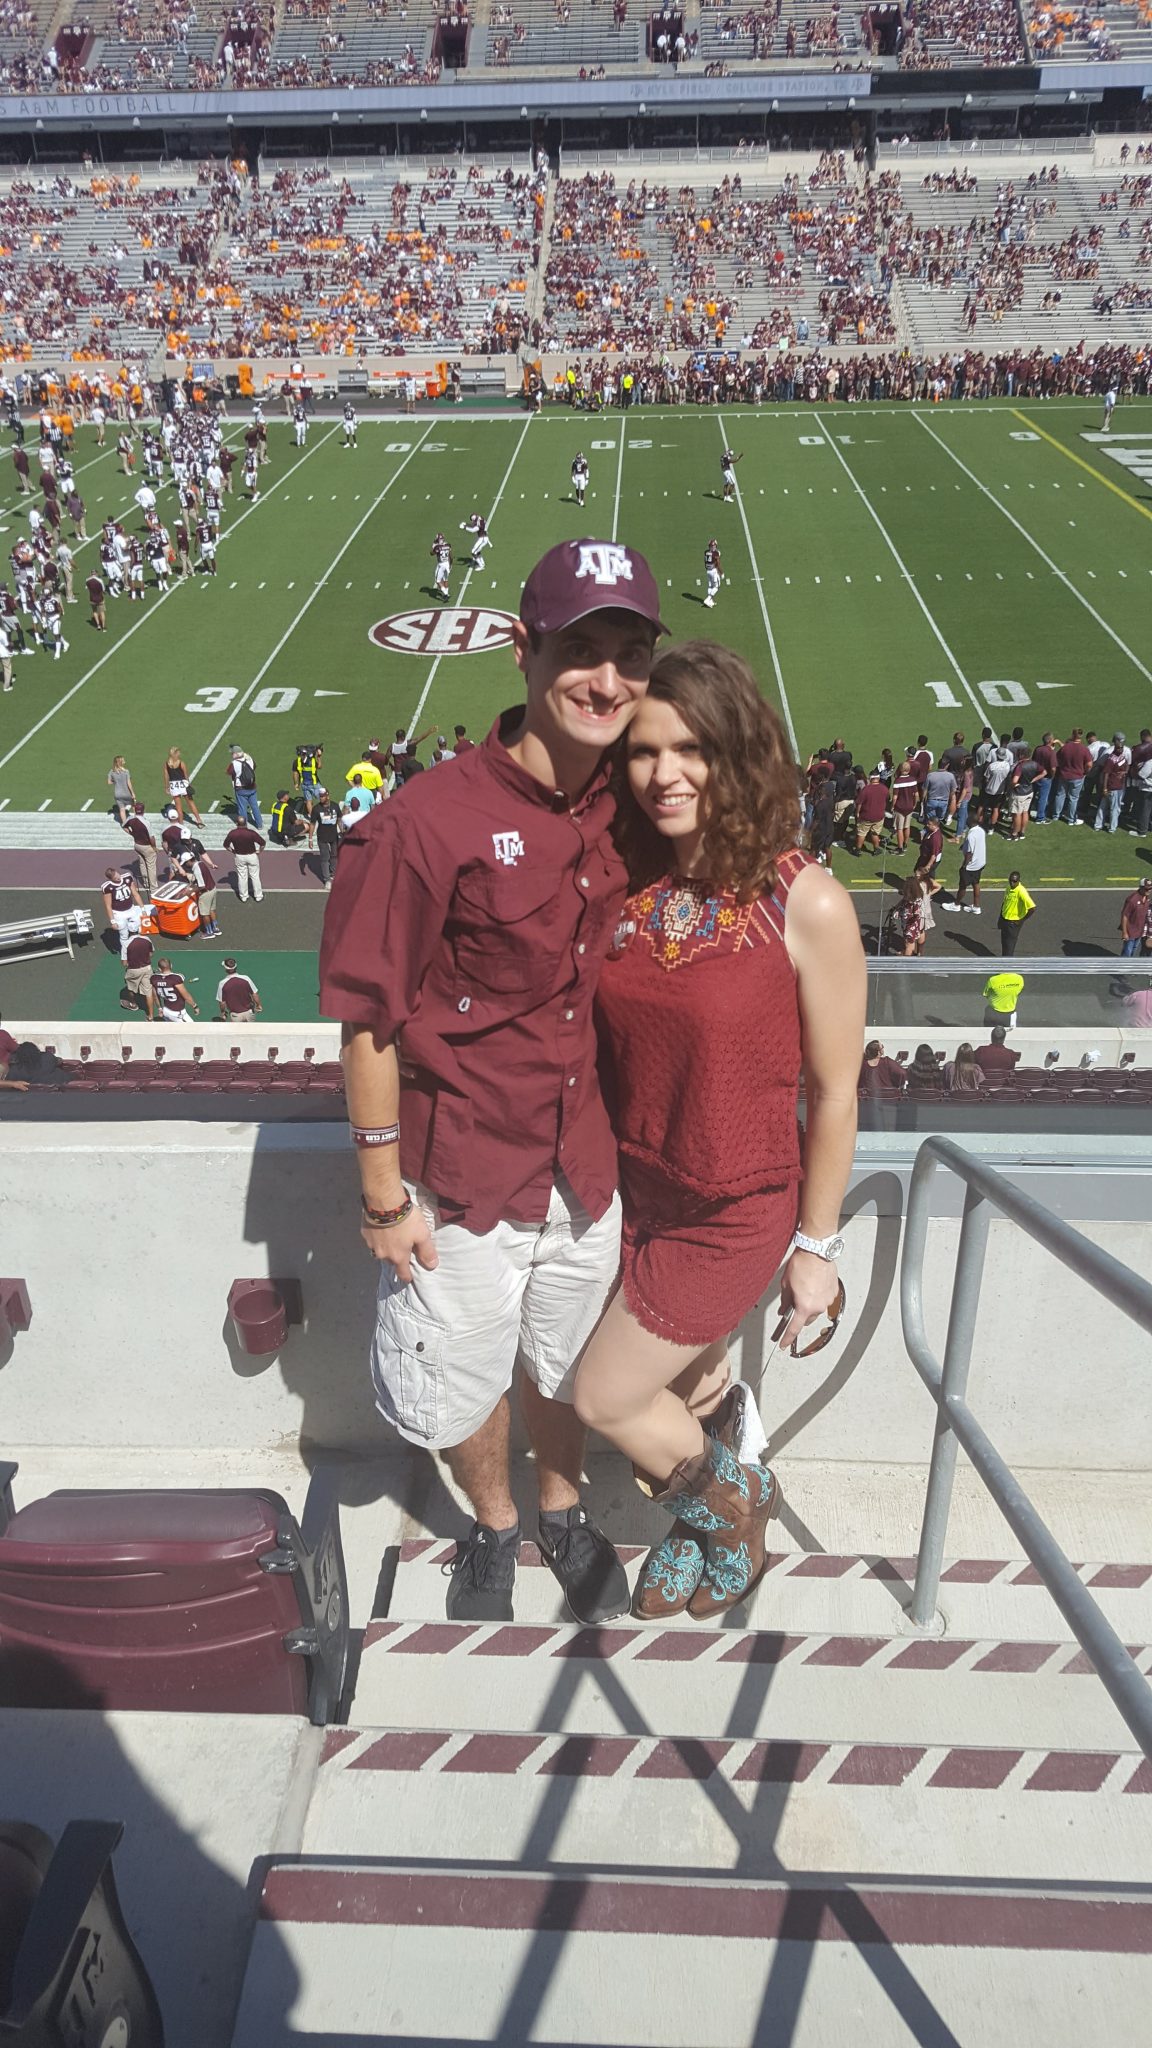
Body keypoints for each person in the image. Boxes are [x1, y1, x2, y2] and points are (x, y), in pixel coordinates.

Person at [319, 536, 666, 1627]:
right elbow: (368, 1020)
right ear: (524, 648)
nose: (605, 679)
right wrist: (383, 1197)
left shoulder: (629, 797)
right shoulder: (426, 821)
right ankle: (494, 1520)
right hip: (463, 1171)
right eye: (580, 649)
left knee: (562, 1364)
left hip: (586, 1162)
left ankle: (561, 1508)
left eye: (629, 655)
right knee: (466, 1372)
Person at [574, 642, 864, 1621]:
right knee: (694, 1387)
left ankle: (738, 1511)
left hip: (734, 1207)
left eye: (690, 748)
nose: (664, 774)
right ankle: (700, 1526)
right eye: (643, 751)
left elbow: (835, 1090)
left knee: (609, 1398)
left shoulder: (803, 899)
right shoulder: (625, 878)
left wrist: (817, 1249)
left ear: (737, 752)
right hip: (634, 1190)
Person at [944, 810, 986, 914]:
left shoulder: (971, 835)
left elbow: (969, 853)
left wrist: (964, 866)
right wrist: (964, 846)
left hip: (971, 866)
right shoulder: (981, 831)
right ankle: (976, 906)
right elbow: (976, 844)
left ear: (971, 821)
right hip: (980, 863)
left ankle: (956, 905)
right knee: (976, 883)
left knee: (963, 885)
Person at [102, 868, 144, 958]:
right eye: (115, 878)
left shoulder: (127, 878)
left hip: (131, 909)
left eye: (117, 875)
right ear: (110, 879)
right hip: (119, 913)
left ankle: (137, 948)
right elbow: (108, 905)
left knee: (135, 929)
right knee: (124, 935)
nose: (118, 878)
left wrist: (142, 908)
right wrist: (112, 921)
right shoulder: (108, 887)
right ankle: (125, 954)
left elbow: (135, 894)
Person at [223, 819, 265, 903]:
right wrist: (260, 851)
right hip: (252, 856)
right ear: (246, 823)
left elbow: (226, 845)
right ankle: (258, 896)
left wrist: (233, 851)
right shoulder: (251, 833)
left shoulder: (232, 833)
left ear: (236, 823)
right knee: (255, 876)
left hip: (239, 856)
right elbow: (262, 843)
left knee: (242, 877)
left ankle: (244, 896)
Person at [121, 803, 159, 896]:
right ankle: (153, 889)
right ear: (143, 810)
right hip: (147, 846)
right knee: (151, 867)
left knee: (142, 864)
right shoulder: (146, 822)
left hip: (137, 845)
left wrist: (132, 834)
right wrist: (154, 847)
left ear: (135, 810)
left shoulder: (131, 819)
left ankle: (146, 884)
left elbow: (124, 826)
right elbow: (151, 837)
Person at [998, 871, 1036, 956]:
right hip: (1005, 919)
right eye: (1010, 881)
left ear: (1019, 881)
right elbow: (1005, 902)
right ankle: (1003, 961)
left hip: (1013, 923)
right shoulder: (1008, 888)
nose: (1012, 883)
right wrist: (1000, 917)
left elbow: (1032, 908)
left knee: (1009, 946)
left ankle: (1008, 964)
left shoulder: (1021, 891)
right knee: (1004, 943)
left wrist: (1021, 920)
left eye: (1014, 881)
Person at [152, 957, 199, 1023]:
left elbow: (155, 996)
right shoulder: (176, 978)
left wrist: (159, 1008)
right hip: (178, 1013)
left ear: (159, 969)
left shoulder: (154, 978)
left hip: (165, 1010)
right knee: (192, 1028)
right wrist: (195, 1006)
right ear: (171, 965)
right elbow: (186, 996)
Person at [163, 747, 202, 827]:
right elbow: (186, 775)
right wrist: (189, 785)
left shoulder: (167, 764)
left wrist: (167, 787)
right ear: (176, 753)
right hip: (183, 785)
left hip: (174, 786)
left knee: (178, 807)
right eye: (178, 752)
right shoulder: (181, 763)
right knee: (191, 803)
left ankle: (181, 825)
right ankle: (199, 821)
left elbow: (166, 776)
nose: (180, 754)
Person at [311, 788, 341, 886]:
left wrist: (342, 831)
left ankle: (333, 872)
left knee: (334, 855)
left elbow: (339, 819)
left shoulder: (335, 806)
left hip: (334, 836)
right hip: (322, 836)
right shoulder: (316, 809)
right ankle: (327, 879)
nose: (321, 798)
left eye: (323, 796)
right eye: (320, 796)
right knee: (325, 858)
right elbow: (312, 823)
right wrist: (310, 838)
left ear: (328, 796)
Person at [121, 931, 156, 1018]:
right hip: (147, 968)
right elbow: (151, 954)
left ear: (129, 932)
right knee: (148, 992)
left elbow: (124, 963)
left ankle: (133, 1004)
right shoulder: (147, 939)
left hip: (134, 970)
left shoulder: (126, 943)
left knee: (131, 988)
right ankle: (151, 1015)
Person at [854, 771, 888, 855]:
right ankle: (876, 849)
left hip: (866, 815)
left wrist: (857, 812)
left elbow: (859, 803)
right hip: (879, 816)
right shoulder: (884, 788)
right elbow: (887, 799)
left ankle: (858, 850)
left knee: (862, 833)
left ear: (870, 778)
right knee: (875, 833)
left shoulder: (866, 789)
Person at [227, 745, 262, 826]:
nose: (231, 755)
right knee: (255, 806)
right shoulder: (250, 759)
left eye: (232, 753)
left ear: (236, 754)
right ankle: (259, 824)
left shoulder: (234, 764)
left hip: (241, 789)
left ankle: (243, 825)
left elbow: (229, 772)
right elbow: (254, 767)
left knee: (242, 808)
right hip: (252, 787)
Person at [1119, 878, 1152, 957]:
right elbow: (1124, 916)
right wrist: (1124, 933)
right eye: (1147, 889)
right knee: (1127, 952)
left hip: (1140, 932)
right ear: (1141, 887)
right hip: (1130, 932)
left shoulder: (1147, 898)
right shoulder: (1132, 900)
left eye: (1150, 888)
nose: (1149, 891)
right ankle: (1123, 964)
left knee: (1133, 950)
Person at [107, 755, 136, 825]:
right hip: (127, 793)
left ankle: (124, 824)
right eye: (123, 760)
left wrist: (116, 781)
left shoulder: (111, 771)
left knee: (122, 809)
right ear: (120, 762)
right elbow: (129, 783)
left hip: (117, 794)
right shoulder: (126, 771)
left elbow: (109, 782)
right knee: (133, 805)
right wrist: (133, 793)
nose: (124, 761)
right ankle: (137, 820)